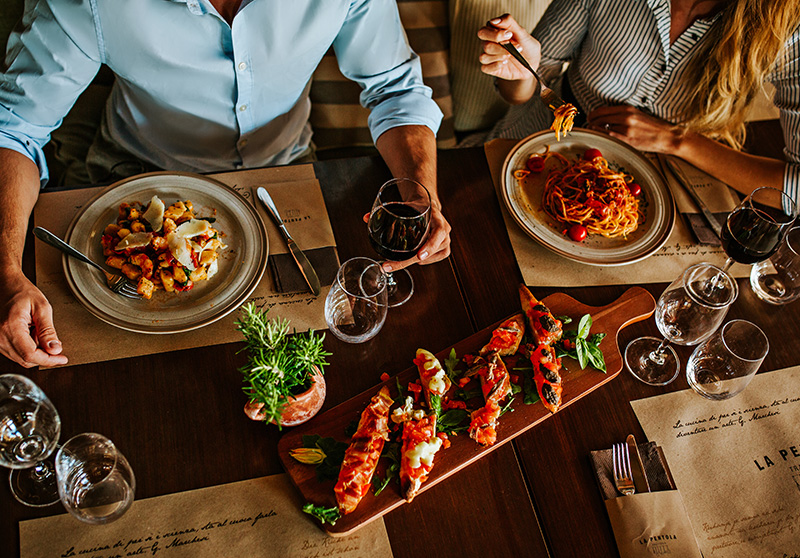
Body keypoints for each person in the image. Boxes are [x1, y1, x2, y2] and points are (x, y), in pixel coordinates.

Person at [0, 0, 452, 368]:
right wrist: (4, 273)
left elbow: (395, 89)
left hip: (285, 174)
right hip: (133, 175)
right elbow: (13, 128)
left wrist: (419, 194)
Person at [477, 1, 800, 204]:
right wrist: (522, 74)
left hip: (660, 191)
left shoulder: (787, 28)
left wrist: (677, 140)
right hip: (534, 145)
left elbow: (796, 191)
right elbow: (527, 89)